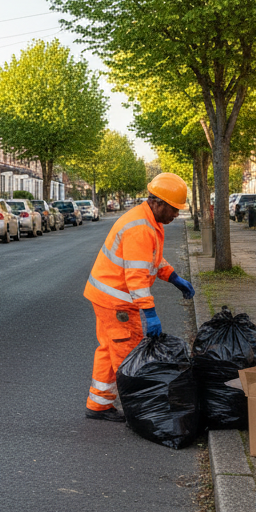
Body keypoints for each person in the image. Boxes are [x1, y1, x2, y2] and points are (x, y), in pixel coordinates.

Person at [82, 173, 196, 421]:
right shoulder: (140, 228)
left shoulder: (147, 221)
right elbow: (136, 277)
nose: (176, 214)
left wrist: (173, 277)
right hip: (117, 302)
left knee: (108, 348)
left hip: (105, 296)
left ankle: (98, 404)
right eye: (174, 209)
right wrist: (150, 313)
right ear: (158, 203)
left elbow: (150, 261)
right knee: (127, 356)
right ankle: (139, 410)